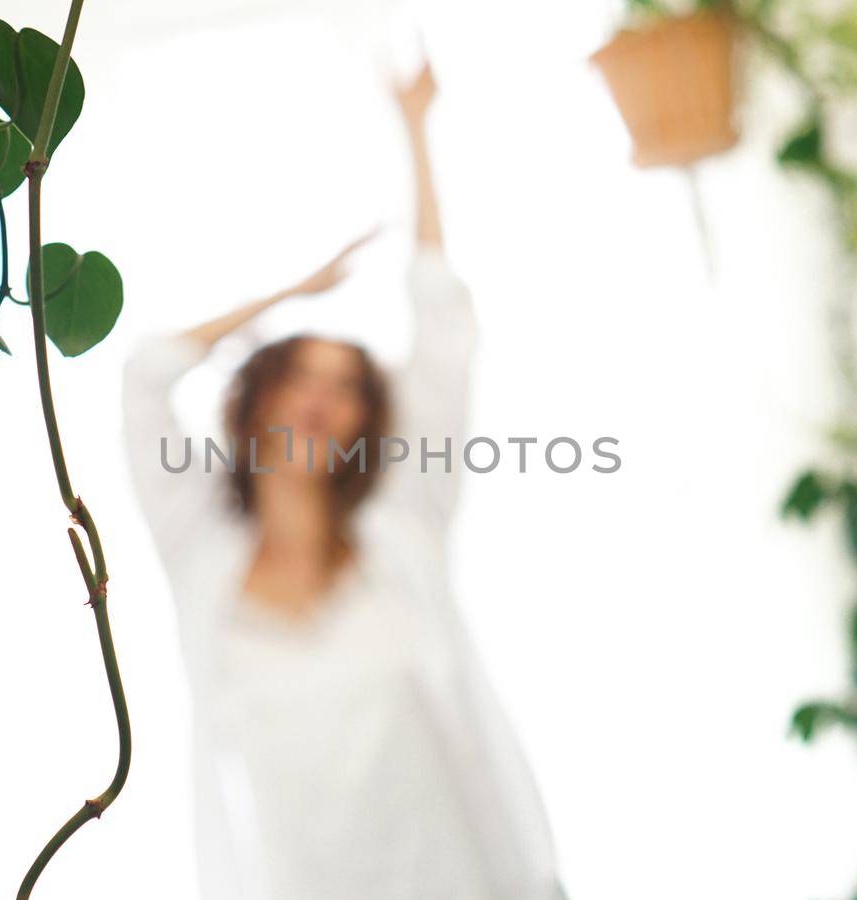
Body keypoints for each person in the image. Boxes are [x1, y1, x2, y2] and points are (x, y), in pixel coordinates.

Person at [123, 64, 564, 900]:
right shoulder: (198, 547)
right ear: (253, 406)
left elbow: (442, 326)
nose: (323, 402)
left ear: (370, 421)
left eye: (347, 386)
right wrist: (293, 293)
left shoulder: (405, 522)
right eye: (299, 380)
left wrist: (418, 128)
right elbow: (145, 374)